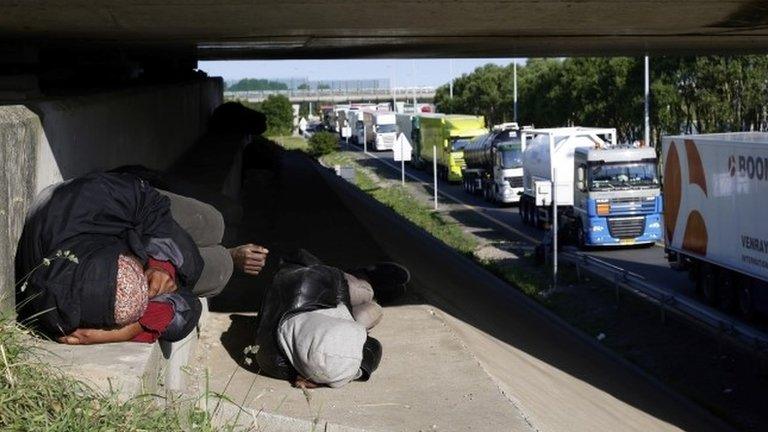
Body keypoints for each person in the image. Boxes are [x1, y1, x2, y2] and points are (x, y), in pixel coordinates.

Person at [15, 172, 268, 345]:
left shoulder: (89, 197)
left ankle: (216, 248)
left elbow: (149, 203)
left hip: (127, 211)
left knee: (213, 222)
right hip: (112, 245)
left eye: (137, 267)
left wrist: (162, 265)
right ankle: (230, 257)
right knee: (218, 271)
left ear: (121, 255)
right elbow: (187, 306)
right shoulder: (69, 316)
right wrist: (131, 330)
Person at [253, 249, 409, 388]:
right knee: (373, 311)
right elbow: (373, 347)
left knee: (362, 292)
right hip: (325, 321)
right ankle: (377, 297)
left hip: (326, 291)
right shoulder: (275, 361)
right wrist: (321, 376)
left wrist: (344, 309)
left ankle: (366, 277)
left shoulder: (304, 285)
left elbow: (299, 255)